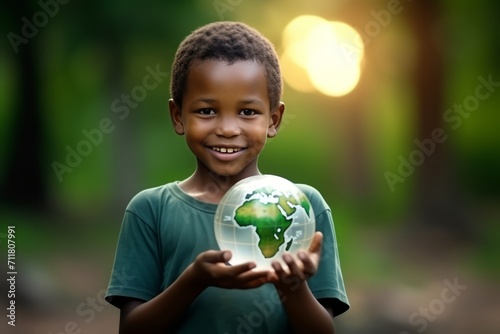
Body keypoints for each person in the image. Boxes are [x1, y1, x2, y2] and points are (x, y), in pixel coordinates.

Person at [105, 21, 349, 333]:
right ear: (178, 116)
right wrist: (194, 280)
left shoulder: (304, 209)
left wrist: (292, 287)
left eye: (248, 112)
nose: (228, 128)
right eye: (207, 111)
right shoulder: (150, 209)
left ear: (274, 120)